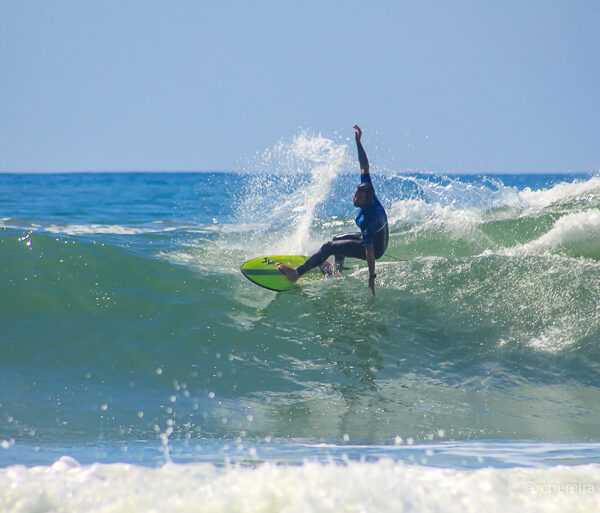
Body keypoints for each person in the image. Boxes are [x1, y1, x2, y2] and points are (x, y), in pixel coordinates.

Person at [277, 125, 388, 295]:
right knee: (336, 239)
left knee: (330, 246)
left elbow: (370, 251)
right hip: (378, 237)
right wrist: (358, 142)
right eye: (355, 193)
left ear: (367, 200)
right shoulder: (369, 190)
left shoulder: (368, 219)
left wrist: (372, 276)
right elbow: (364, 165)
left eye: (358, 197)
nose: (354, 197)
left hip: (376, 247)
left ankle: (296, 273)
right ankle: (335, 272)